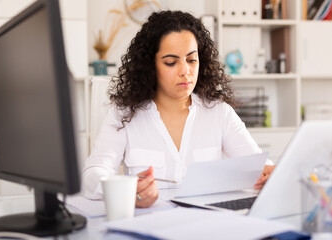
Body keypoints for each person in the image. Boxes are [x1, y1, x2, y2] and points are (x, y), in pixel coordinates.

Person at [83, 10, 275, 208]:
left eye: (192, 60)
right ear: (150, 66)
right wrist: (126, 190)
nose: (185, 71)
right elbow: (92, 174)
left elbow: (257, 166)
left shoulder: (219, 112)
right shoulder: (124, 115)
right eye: (171, 62)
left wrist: (269, 172)